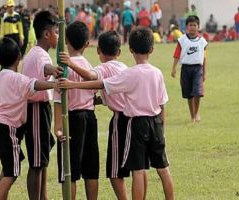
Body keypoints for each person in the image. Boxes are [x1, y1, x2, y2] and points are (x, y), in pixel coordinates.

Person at [58, 27, 174, 200]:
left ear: (131, 49)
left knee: (134, 170)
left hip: (132, 123)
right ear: (151, 49)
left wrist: (72, 83)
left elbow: (96, 81)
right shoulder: (150, 72)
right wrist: (162, 128)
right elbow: (162, 103)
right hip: (155, 122)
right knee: (161, 168)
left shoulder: (123, 72)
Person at [59, 31, 130, 200]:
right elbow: (110, 92)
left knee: (114, 173)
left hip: (119, 119)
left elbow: (91, 76)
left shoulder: (102, 68)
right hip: (134, 118)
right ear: (119, 52)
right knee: (135, 168)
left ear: (98, 50)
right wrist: (95, 101)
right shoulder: (124, 68)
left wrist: (70, 68)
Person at [0, 37, 56, 200]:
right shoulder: (16, 78)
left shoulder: (1, 76)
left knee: (8, 168)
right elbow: (34, 84)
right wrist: (54, 84)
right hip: (9, 129)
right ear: (18, 58)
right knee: (12, 174)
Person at [54, 21, 99, 200]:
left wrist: (57, 127)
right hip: (89, 117)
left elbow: (58, 100)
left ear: (66, 42)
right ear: (87, 44)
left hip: (70, 119)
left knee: (69, 171)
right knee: (91, 169)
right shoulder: (88, 65)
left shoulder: (63, 67)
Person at [21, 10, 62, 200]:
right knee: (37, 162)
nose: (58, 36)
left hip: (42, 109)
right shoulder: (39, 55)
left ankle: (43, 196)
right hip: (36, 109)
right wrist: (54, 70)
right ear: (47, 34)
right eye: (56, 32)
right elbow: (45, 69)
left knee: (42, 159)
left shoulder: (39, 52)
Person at [171, 15, 208, 122]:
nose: (192, 27)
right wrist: (174, 68)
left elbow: (204, 58)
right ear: (186, 26)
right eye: (190, 25)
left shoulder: (202, 41)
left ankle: (196, 114)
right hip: (186, 69)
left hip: (198, 69)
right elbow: (177, 55)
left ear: (198, 26)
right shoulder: (182, 40)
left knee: (197, 92)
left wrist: (204, 72)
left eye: (194, 25)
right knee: (188, 94)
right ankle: (192, 115)